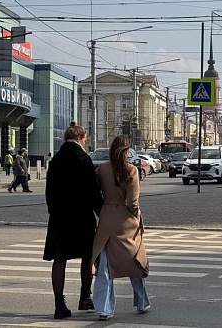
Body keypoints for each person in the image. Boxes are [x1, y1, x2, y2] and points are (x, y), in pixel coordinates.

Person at [43, 121, 103, 319]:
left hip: (59, 218)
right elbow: (94, 192)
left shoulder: (56, 159)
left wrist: (54, 210)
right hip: (82, 217)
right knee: (87, 258)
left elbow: (49, 191)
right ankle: (85, 297)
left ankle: (59, 305)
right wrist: (102, 214)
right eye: (85, 139)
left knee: (59, 259)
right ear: (80, 138)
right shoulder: (84, 158)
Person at [91, 135, 150, 321]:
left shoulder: (102, 169)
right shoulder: (131, 170)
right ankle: (141, 302)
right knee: (135, 260)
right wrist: (136, 216)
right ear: (126, 151)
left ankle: (104, 309)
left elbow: (97, 193)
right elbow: (133, 201)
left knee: (105, 266)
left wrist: (104, 211)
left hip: (107, 217)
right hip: (126, 220)